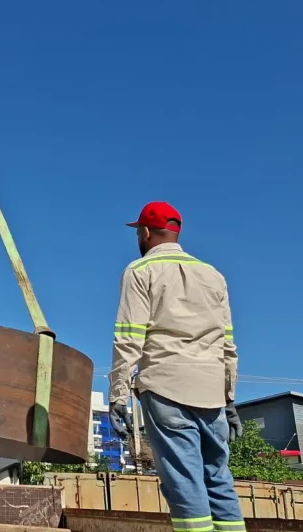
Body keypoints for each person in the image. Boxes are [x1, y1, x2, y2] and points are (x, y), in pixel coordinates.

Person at [108, 201, 245, 532]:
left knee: (184, 484)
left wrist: (118, 394)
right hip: (212, 392)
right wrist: (229, 399)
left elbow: (129, 338)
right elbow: (228, 343)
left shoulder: (140, 271)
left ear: (144, 232)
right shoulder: (213, 275)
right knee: (219, 480)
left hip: (166, 388)